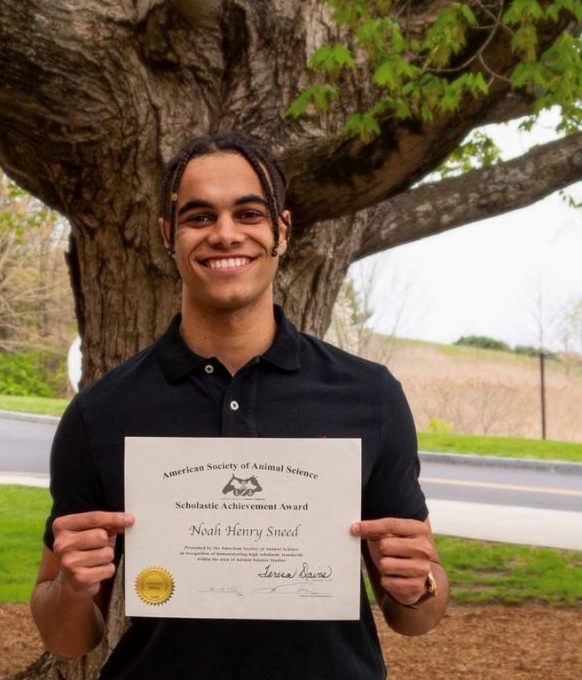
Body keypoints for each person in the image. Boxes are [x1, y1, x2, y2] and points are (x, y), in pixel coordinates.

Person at [30, 131, 449, 678]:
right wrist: (70, 586)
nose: (225, 235)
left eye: (248, 213)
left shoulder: (369, 396)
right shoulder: (102, 412)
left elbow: (414, 617)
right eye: (199, 217)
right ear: (168, 235)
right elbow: (67, 640)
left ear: (281, 231)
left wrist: (418, 586)